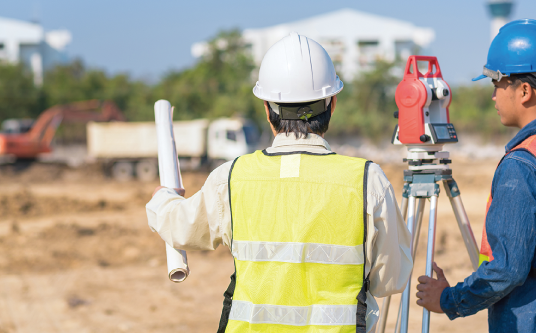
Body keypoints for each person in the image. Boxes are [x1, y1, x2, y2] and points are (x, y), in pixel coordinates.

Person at [146, 32, 413, 333]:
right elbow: (390, 279)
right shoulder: (367, 181)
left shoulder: (233, 177)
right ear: (332, 104)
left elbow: (178, 227)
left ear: (266, 108)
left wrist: (163, 198)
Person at [415, 19, 536, 332]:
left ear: (524, 91)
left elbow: (507, 270)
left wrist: (448, 299)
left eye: (496, 84)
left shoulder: (523, 166)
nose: (493, 97)